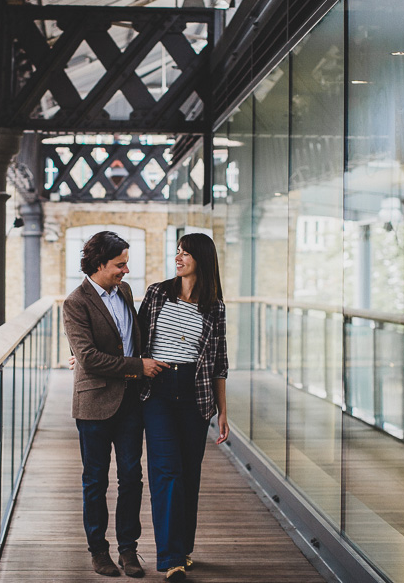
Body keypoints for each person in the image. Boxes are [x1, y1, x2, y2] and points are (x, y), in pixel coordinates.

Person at [63, 231, 168, 578]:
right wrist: (138, 366)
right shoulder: (75, 303)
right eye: (119, 264)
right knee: (95, 480)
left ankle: (128, 550)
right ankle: (99, 551)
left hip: (129, 401)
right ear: (98, 264)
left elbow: (132, 338)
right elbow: (90, 358)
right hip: (94, 405)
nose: (126, 270)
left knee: (131, 477)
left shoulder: (123, 292)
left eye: (126, 263)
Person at [137, 233, 229, 582]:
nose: (178, 257)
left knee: (189, 474)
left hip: (197, 396)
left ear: (201, 260)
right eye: (177, 251)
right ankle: (171, 558)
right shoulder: (158, 292)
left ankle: (184, 547)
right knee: (166, 472)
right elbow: (135, 336)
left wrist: (223, 411)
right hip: (157, 392)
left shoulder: (215, 307)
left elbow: (220, 363)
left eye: (186, 253)